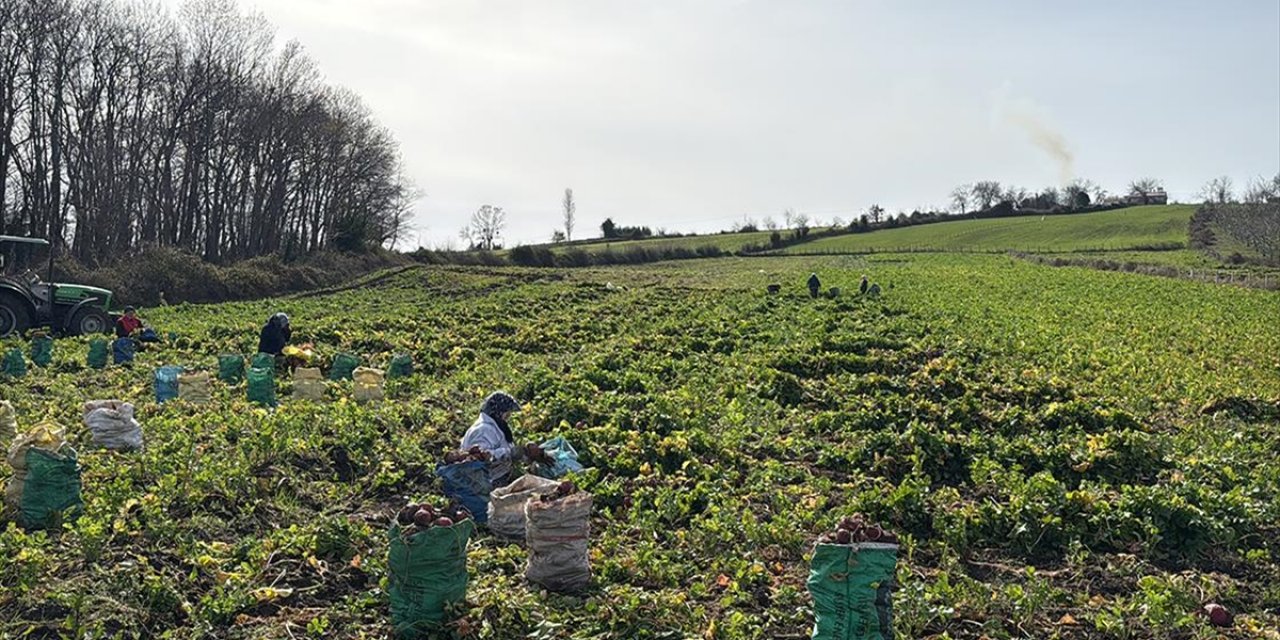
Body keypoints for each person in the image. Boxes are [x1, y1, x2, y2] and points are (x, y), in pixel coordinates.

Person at [461, 391, 551, 485]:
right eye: (506, 414)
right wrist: (514, 452)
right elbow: (479, 458)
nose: (508, 417)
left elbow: (505, 450)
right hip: (483, 483)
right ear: (498, 412)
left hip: (495, 478)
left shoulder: (495, 427)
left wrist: (528, 453)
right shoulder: (483, 430)